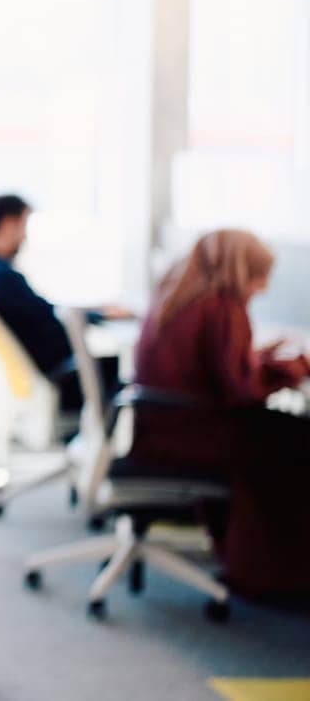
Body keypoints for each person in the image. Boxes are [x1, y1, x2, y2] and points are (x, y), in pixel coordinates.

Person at [132, 229, 310, 599]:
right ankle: (274, 577)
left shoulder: (177, 296)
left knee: (283, 434)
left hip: (163, 429)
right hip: (199, 434)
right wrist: (298, 366)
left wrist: (257, 358)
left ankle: (256, 565)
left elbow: (217, 372)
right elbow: (242, 390)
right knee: (295, 443)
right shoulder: (221, 306)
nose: (261, 289)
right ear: (242, 271)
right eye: (260, 278)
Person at [0, 194, 128, 415]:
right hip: (62, 378)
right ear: (8, 224)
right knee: (130, 370)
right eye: (24, 225)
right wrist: (100, 315)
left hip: (47, 371)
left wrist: (94, 311)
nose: (25, 236)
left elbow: (43, 312)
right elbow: (52, 317)